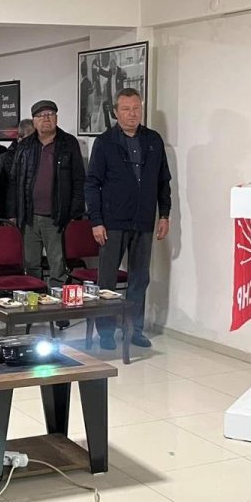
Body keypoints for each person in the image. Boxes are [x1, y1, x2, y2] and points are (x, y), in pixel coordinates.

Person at [85, 88, 171, 350]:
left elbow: (163, 181)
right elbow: (92, 183)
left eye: (136, 108)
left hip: (143, 220)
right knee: (107, 280)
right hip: (112, 221)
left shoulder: (153, 140)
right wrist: (96, 221)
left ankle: (134, 329)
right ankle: (106, 332)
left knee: (139, 278)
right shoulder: (105, 142)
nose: (132, 114)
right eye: (126, 109)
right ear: (115, 112)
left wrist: (164, 214)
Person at [4, 100, 85, 288]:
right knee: (31, 264)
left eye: (50, 114)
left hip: (57, 217)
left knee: (57, 266)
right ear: (34, 121)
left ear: (56, 118)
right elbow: (14, 181)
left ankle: (57, 304)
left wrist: (75, 213)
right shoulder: (25, 146)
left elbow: (79, 180)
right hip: (29, 217)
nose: (46, 119)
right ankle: (34, 302)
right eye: (41, 116)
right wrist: (13, 213)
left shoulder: (68, 143)